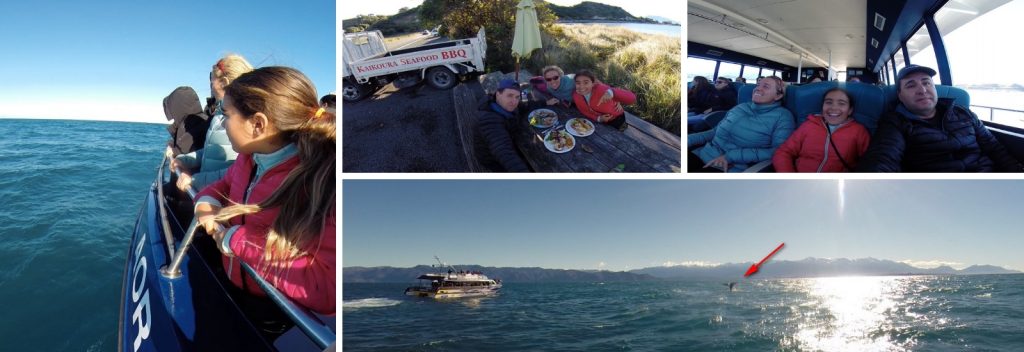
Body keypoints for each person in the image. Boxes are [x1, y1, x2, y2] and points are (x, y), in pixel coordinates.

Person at [194, 66, 336, 315]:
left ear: (258, 124)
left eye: (226, 114)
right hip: (234, 282)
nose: (224, 124)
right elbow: (226, 183)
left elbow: (328, 287)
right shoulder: (248, 158)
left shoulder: (320, 184)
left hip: (275, 309)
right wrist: (205, 200)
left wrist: (236, 239)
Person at [857, 65, 1023, 172]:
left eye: (926, 83)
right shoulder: (895, 122)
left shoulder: (964, 113)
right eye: (911, 85)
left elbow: (995, 149)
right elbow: (883, 157)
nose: (922, 90)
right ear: (900, 95)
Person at [172, 54, 254, 192]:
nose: (210, 85)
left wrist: (194, 180)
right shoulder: (218, 115)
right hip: (206, 192)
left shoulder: (240, 121)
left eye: (212, 80)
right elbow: (210, 150)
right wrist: (184, 159)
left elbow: (235, 172)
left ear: (224, 83)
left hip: (221, 199)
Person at [688, 76, 795, 172]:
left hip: (728, 167)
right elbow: (714, 132)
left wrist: (730, 157)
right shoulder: (741, 107)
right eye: (758, 85)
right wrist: (688, 140)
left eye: (766, 86)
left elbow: (777, 151)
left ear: (778, 95)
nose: (758, 88)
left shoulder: (783, 117)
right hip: (702, 153)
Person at [772, 88, 870, 172]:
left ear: (850, 110)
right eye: (828, 102)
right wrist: (789, 178)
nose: (833, 107)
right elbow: (783, 152)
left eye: (841, 103)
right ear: (822, 107)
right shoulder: (808, 125)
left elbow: (870, 163)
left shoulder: (859, 131)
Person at [475, 79, 537, 172]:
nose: (514, 101)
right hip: (494, 159)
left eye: (517, 97)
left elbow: (525, 106)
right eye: (509, 95)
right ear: (498, 94)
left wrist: (545, 102)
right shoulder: (489, 120)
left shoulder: (502, 105)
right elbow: (503, 151)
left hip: (511, 139)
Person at [163, 86, 210, 156]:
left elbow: (184, 148)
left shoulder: (194, 125)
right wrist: (173, 143)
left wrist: (174, 150)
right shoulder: (202, 121)